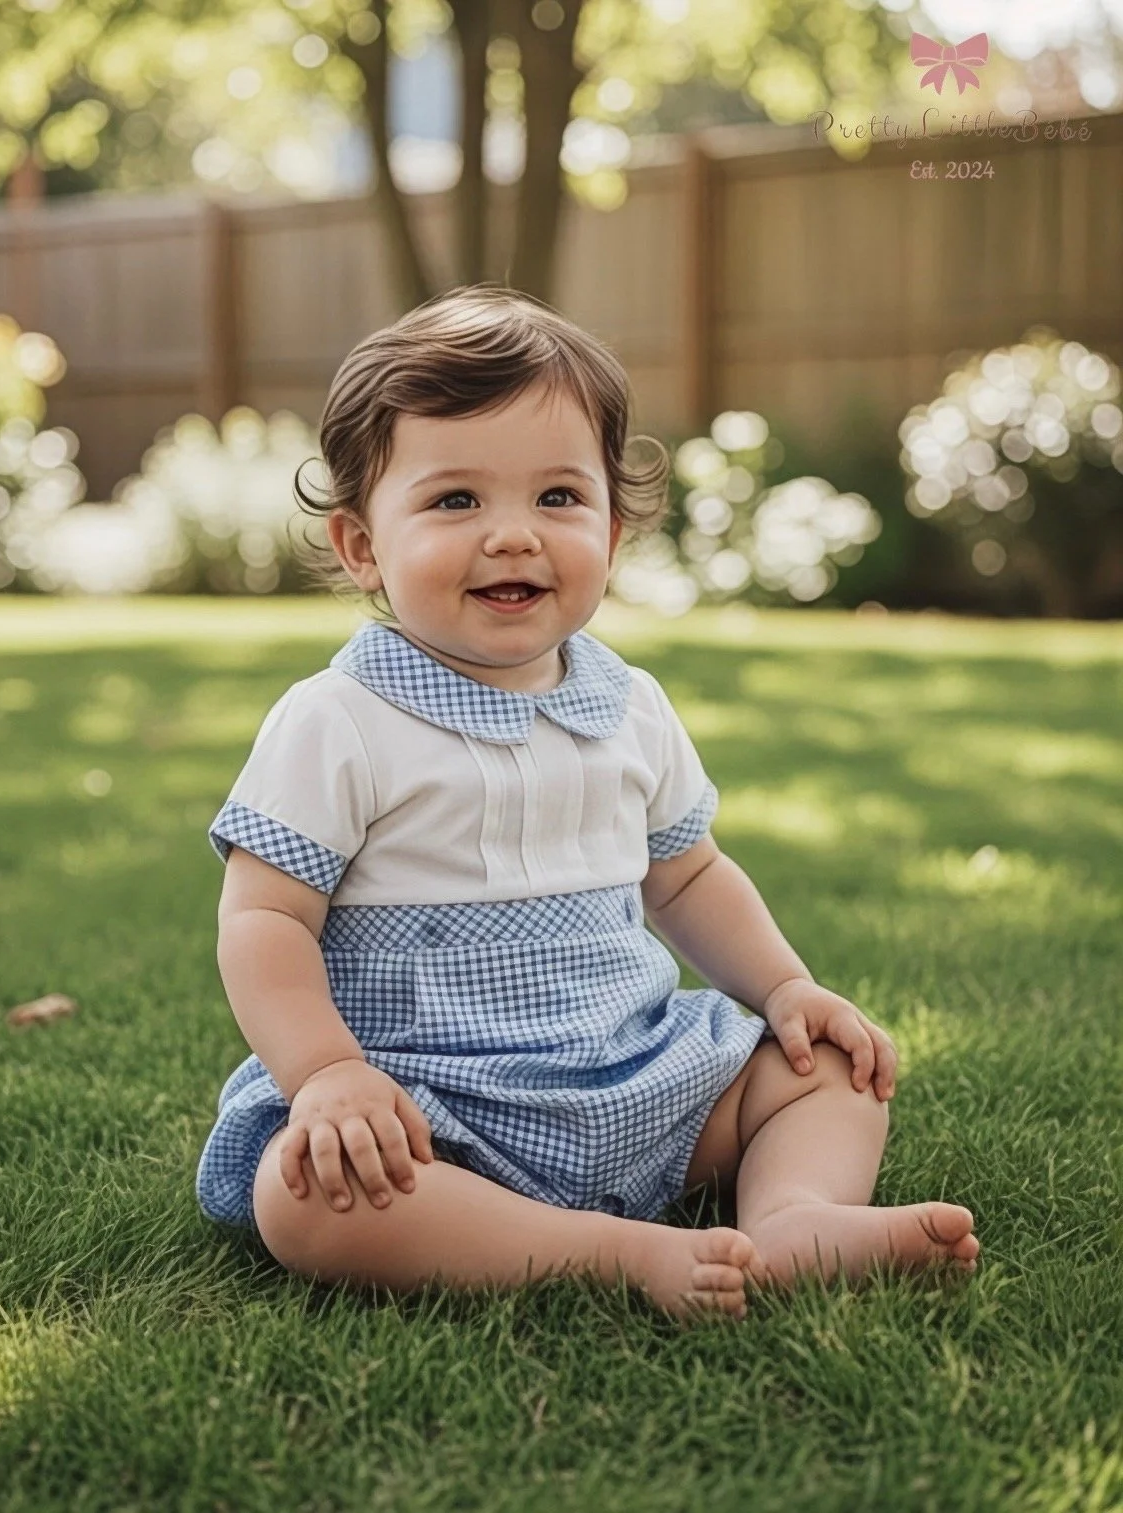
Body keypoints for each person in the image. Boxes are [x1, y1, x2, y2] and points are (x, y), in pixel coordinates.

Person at [195, 284, 980, 1322]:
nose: (513, 536)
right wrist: (329, 1072)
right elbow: (263, 918)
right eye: (454, 501)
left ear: (612, 532)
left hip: (638, 1081)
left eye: (557, 498)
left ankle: (790, 1215)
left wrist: (785, 987)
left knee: (826, 1065)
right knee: (305, 1201)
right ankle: (603, 1253)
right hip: (436, 1109)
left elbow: (687, 872)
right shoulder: (338, 720)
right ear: (360, 548)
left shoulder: (627, 707)